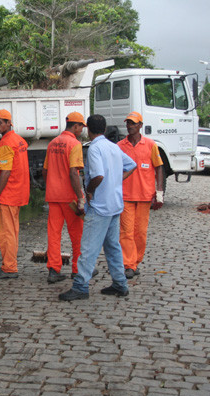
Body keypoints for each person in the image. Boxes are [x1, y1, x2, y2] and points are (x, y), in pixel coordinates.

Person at [59, 114, 136, 301]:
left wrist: (90, 192)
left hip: (100, 206)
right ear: (104, 128)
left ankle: (80, 286)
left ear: (88, 130)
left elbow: (99, 175)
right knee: (113, 247)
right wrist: (117, 180)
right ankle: (120, 283)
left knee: (88, 248)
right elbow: (132, 164)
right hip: (115, 204)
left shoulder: (94, 148)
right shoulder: (113, 147)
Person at [117, 111, 164, 279]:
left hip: (145, 196)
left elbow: (159, 168)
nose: (130, 126)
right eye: (128, 123)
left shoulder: (150, 145)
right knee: (126, 231)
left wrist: (159, 193)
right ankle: (128, 264)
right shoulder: (120, 146)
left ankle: (135, 261)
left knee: (140, 233)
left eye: (133, 123)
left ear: (140, 126)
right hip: (125, 195)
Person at [0, 109, 30, 279]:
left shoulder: (4, 144)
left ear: (8, 123)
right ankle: (9, 264)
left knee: (6, 233)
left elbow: (5, 172)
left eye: (0, 123)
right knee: (12, 231)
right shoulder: (19, 141)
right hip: (18, 192)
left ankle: (9, 267)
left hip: (7, 195)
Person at [43, 112, 85, 283]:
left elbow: (45, 171)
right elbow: (74, 173)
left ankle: (54, 269)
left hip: (53, 196)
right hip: (69, 198)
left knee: (54, 234)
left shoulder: (52, 143)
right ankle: (77, 269)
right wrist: (80, 197)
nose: (82, 130)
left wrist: (52, 185)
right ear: (75, 126)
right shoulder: (74, 144)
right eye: (81, 126)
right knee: (77, 234)